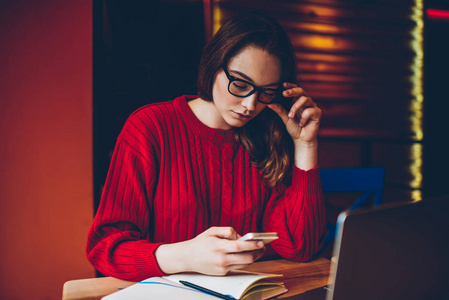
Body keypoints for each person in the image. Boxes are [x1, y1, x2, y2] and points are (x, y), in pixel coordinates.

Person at [86, 11, 325, 281]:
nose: (250, 105)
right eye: (240, 84)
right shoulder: (150, 127)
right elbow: (105, 248)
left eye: (265, 91)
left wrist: (305, 145)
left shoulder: (267, 136)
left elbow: (300, 248)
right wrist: (186, 256)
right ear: (213, 65)